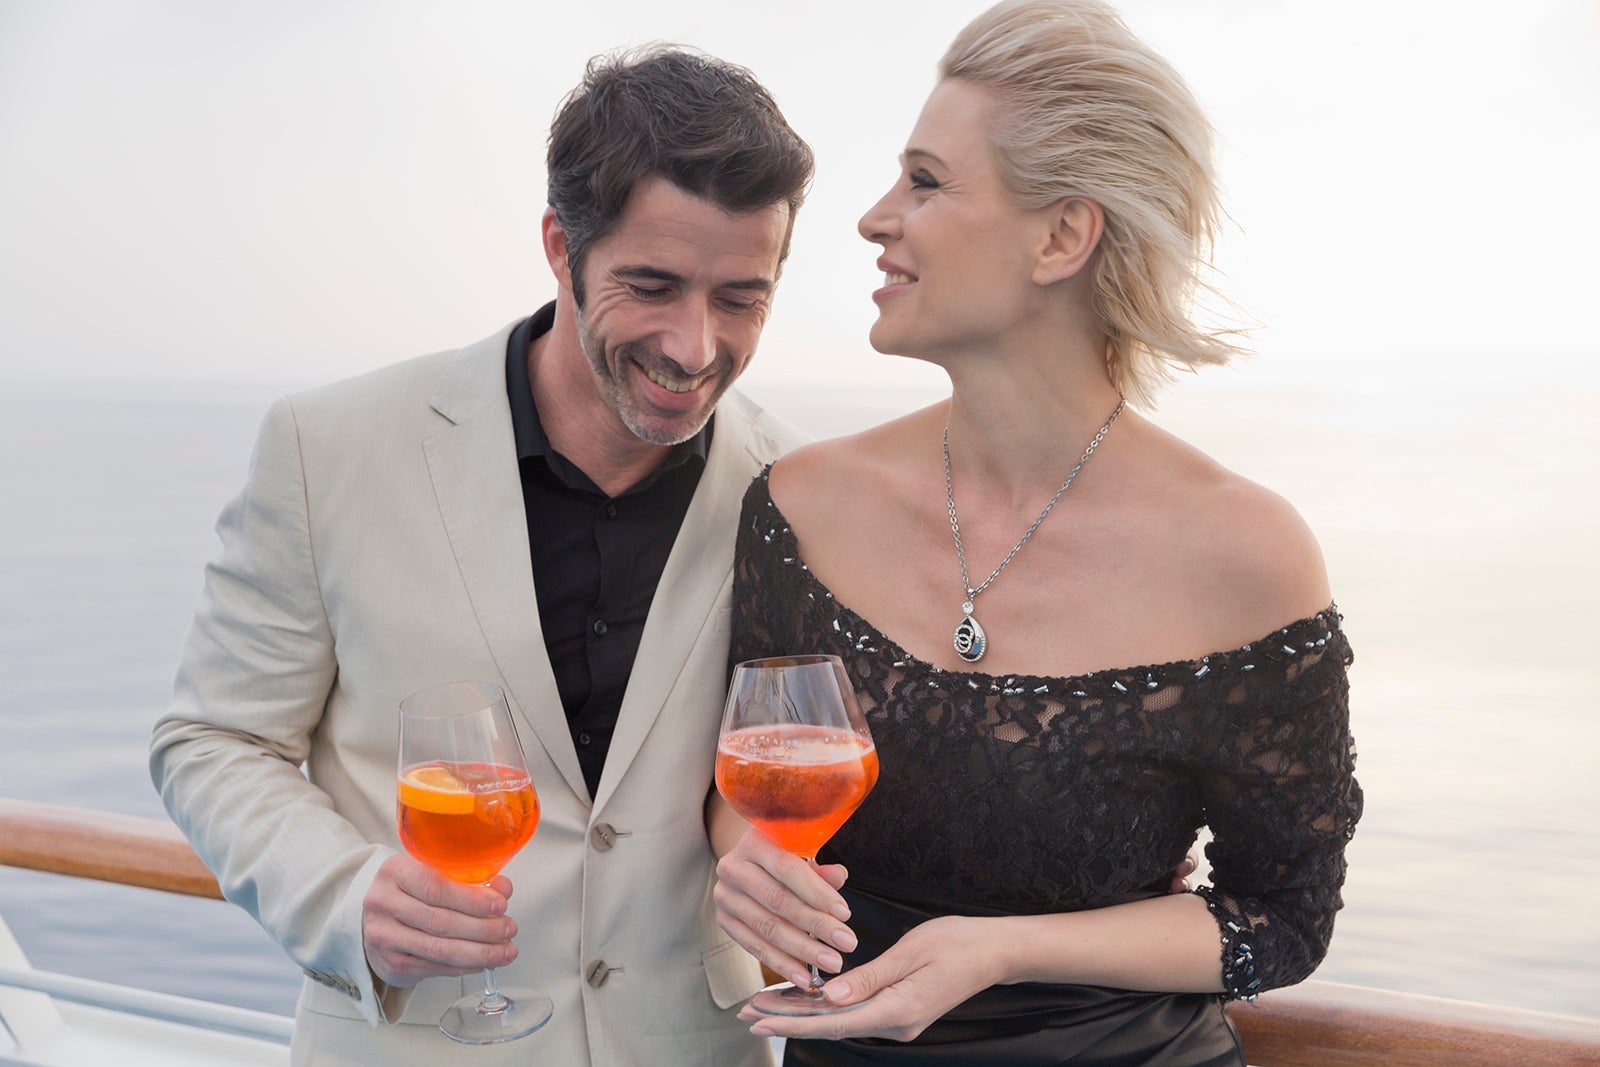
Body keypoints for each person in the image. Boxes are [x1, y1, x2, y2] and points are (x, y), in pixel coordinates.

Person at [708, 1, 1363, 1063]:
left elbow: (1280, 919)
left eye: (924, 180)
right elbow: (740, 792)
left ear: (1061, 235)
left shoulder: (1243, 551)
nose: (876, 216)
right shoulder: (800, 503)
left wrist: (1000, 949)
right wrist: (743, 863)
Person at [150, 47, 812, 1066]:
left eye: (740, 298)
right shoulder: (325, 446)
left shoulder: (800, 489)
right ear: (561, 245)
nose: (694, 345)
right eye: (652, 285)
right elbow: (212, 739)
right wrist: (344, 892)